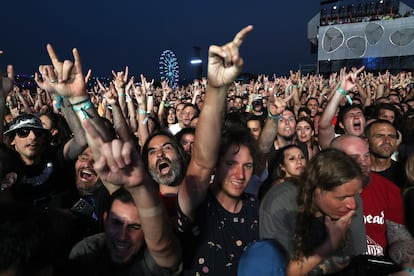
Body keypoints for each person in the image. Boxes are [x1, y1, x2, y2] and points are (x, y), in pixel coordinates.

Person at [45, 44, 182, 275]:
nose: (122, 235)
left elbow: (163, 247)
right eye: (117, 223)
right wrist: (79, 101)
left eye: (135, 226)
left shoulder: (150, 263)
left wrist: (139, 186)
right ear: (106, 219)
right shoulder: (85, 252)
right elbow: (99, 148)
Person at [176, 25, 269, 275]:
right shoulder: (198, 204)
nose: (240, 174)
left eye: (247, 166)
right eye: (231, 163)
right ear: (217, 165)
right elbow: (200, 163)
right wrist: (217, 89)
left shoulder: (257, 210)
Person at [260, 149, 366, 275]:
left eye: (354, 195)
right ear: (317, 189)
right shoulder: (280, 203)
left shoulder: (351, 199)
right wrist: (330, 244)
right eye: (341, 198)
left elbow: (358, 260)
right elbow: (277, 271)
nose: (352, 204)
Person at [331, 134, 414, 273]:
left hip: (377, 268)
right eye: (354, 158)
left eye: (366, 156)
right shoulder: (320, 193)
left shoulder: (387, 189)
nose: (364, 163)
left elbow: (399, 238)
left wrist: (408, 265)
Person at [318, 66, 365, 149]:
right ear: (341, 124)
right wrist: (341, 90)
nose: (356, 116)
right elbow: (324, 126)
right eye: (351, 115)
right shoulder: (336, 143)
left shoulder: (372, 141)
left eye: (359, 113)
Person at [364, 119, 404, 188]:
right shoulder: (356, 174)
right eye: (379, 136)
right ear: (366, 142)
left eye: (391, 136)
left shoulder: (404, 173)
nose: (387, 141)